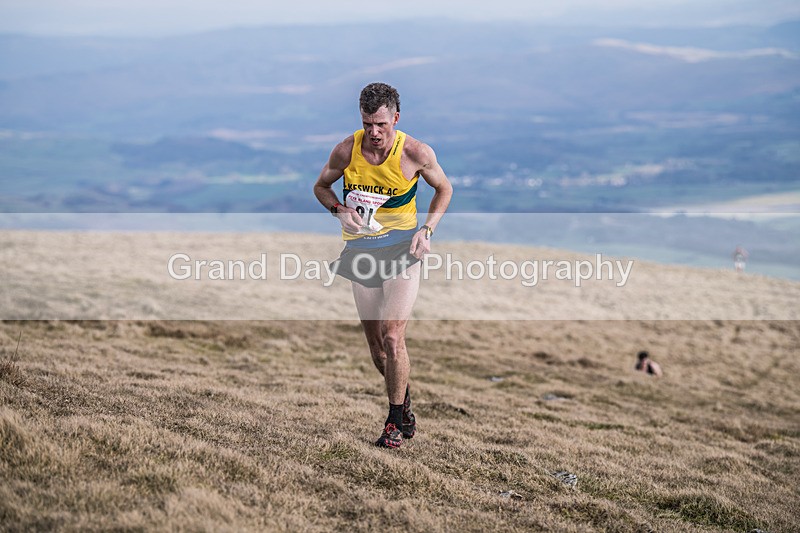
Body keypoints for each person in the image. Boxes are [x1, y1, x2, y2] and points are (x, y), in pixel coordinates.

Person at [313, 82, 453, 448]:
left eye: (381, 124)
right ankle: (403, 403)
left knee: (394, 337)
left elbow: (445, 189)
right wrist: (339, 210)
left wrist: (427, 229)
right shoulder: (347, 149)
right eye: (367, 124)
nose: (374, 133)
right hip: (361, 253)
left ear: (396, 118)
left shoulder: (416, 152)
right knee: (377, 348)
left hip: (403, 252)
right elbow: (321, 186)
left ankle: (393, 424)